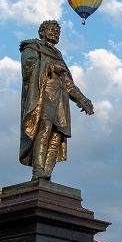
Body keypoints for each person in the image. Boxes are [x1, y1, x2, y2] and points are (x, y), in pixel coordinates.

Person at [19, 19, 94, 181]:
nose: (55, 33)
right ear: (42, 32)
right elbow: (28, 67)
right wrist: (50, 67)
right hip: (42, 97)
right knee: (44, 130)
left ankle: (46, 173)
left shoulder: (58, 55)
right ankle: (37, 170)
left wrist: (83, 100)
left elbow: (68, 83)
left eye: (58, 31)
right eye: (52, 29)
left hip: (60, 101)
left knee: (57, 135)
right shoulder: (32, 47)